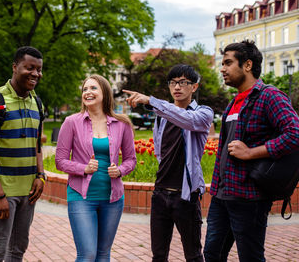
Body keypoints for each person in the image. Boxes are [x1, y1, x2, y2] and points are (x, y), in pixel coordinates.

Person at [203, 40, 299, 262]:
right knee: (212, 254)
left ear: (247, 65)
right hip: (222, 195)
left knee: (251, 257)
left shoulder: (270, 96)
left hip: (250, 197)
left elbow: (295, 134)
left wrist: (251, 152)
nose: (222, 69)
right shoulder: (234, 101)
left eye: (228, 63)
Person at [123, 64, 213, 262]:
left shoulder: (203, 114)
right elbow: (159, 151)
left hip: (186, 196)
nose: (177, 87)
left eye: (183, 82)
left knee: (194, 255)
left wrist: (151, 101)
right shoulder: (161, 118)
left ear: (194, 87)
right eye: (173, 83)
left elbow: (186, 120)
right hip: (161, 194)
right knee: (159, 255)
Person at [55, 74, 137, 262]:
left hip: (113, 198)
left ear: (104, 92)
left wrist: (120, 170)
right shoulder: (71, 122)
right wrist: (83, 168)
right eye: (85, 89)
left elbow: (131, 159)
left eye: (93, 88)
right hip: (81, 197)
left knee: (103, 255)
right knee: (88, 254)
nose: (88, 92)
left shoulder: (122, 123)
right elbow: (60, 160)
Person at [0, 46, 46, 262]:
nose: (35, 74)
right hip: (2, 190)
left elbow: (38, 145)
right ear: (15, 67)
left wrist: (40, 175)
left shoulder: (37, 103)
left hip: (29, 191)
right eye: (29, 68)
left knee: (18, 250)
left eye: (39, 70)